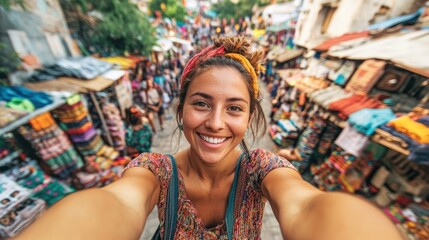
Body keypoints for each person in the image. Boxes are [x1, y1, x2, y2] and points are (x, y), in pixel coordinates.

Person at [16, 36, 402, 240]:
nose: (216, 123)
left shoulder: (262, 169)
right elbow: (117, 205)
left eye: (234, 108)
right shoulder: (154, 171)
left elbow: (306, 207)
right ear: (181, 108)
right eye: (201, 103)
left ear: (251, 117)